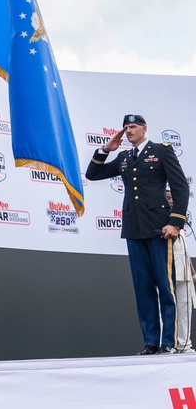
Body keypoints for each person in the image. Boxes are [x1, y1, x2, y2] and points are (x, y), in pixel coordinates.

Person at [85, 114, 189, 354]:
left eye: (132, 127)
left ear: (144, 129)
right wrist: (105, 149)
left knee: (166, 286)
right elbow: (92, 174)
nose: (128, 131)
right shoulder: (123, 157)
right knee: (143, 289)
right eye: (125, 127)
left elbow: (180, 187)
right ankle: (151, 342)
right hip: (134, 228)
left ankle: (169, 343)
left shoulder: (161, 151)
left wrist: (175, 222)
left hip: (159, 228)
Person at [167, 190, 195, 353]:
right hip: (169, 271)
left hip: (184, 273)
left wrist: (193, 274)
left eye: (173, 198)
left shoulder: (180, 225)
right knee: (169, 310)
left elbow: (186, 252)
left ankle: (185, 344)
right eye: (168, 198)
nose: (172, 201)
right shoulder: (161, 222)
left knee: (185, 310)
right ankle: (170, 344)